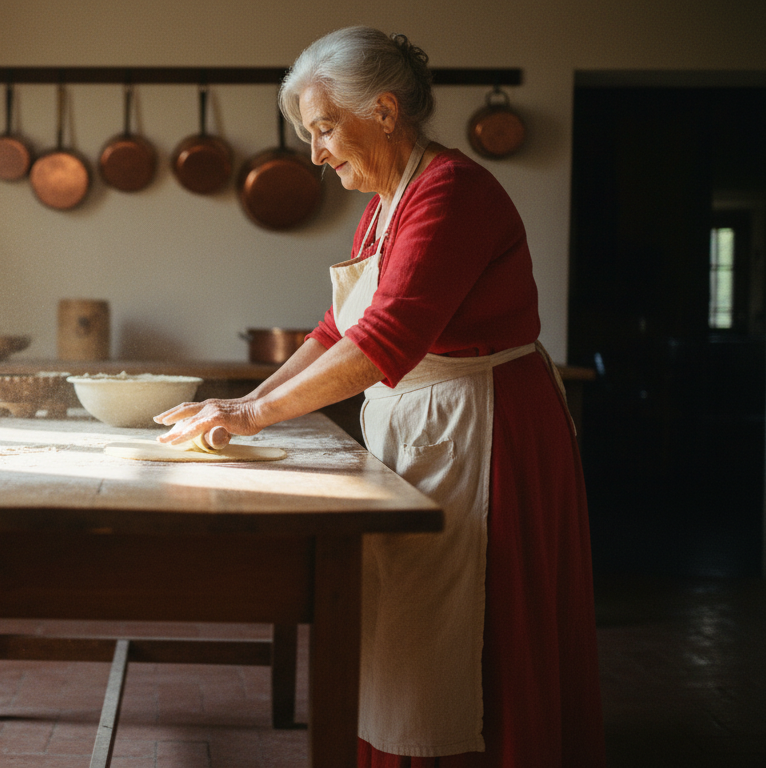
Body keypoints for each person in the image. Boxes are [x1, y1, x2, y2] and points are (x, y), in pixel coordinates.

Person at [154, 26, 606, 768]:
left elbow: (385, 340)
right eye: (309, 134)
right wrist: (235, 409)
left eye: (324, 129)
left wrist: (252, 414)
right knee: (412, 626)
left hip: (485, 433)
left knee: (465, 632)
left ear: (386, 112)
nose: (315, 154)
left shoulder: (452, 192)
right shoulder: (386, 202)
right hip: (429, 429)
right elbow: (336, 329)